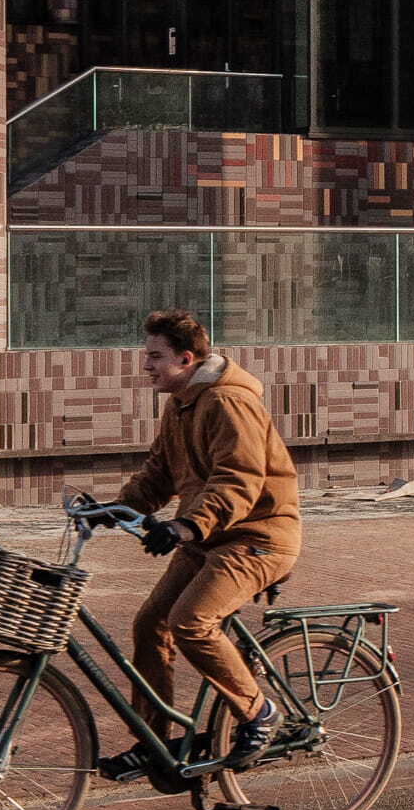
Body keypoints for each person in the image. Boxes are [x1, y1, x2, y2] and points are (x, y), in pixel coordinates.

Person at [111, 306, 299, 772]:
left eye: (155, 356)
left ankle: (260, 712)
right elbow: (158, 474)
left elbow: (240, 479)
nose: (147, 366)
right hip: (210, 538)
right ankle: (154, 741)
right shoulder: (181, 405)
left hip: (258, 537)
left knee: (190, 621)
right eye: (146, 355)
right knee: (150, 623)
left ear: (187, 358)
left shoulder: (228, 402)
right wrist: (114, 509)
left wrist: (186, 526)